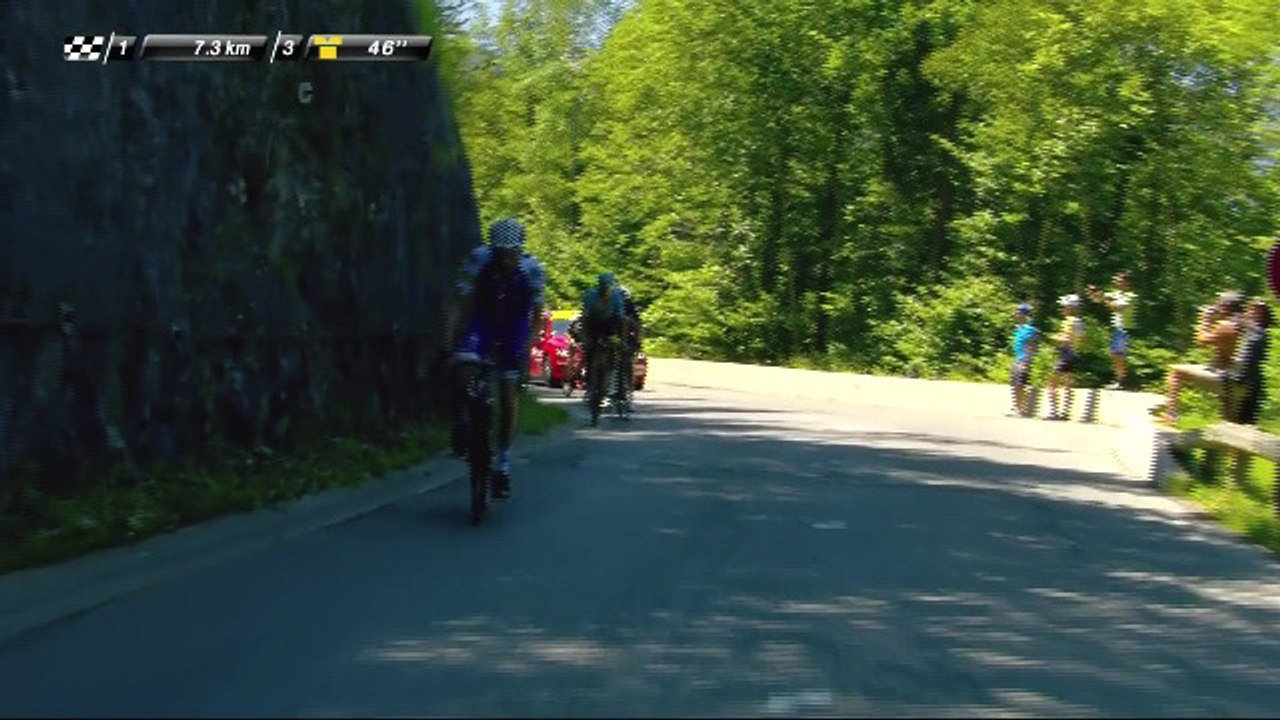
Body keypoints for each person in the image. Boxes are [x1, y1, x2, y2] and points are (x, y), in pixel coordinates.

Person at [446, 218, 545, 499]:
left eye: (512, 254)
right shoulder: (478, 259)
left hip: (514, 328)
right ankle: (462, 421)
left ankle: (502, 465)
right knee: (462, 368)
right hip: (483, 323)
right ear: (493, 250)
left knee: (508, 393)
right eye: (501, 254)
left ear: (520, 251)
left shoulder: (533, 270)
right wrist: (448, 340)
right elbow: (457, 302)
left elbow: (537, 317)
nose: (506, 260)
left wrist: (527, 348)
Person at [1160, 290, 1245, 425]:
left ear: (1227, 306)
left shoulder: (1226, 326)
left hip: (1224, 378)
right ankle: (1231, 429)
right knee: (1228, 410)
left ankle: (1170, 415)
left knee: (1175, 372)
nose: (1218, 307)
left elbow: (1201, 341)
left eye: (1220, 304)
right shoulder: (1243, 326)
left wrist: (1204, 318)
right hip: (1239, 379)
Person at [579, 272, 626, 423]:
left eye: (608, 287)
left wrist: (622, 339)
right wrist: (585, 337)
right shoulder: (590, 296)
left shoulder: (616, 297)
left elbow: (621, 320)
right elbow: (585, 318)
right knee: (589, 348)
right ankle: (588, 375)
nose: (606, 290)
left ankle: (613, 377)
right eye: (603, 288)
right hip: (593, 325)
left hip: (610, 325)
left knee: (616, 348)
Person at [1225, 299, 1271, 425]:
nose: (1254, 313)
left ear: (1264, 316)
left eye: (1258, 311)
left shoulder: (1260, 332)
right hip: (1239, 375)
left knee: (1244, 417)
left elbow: (1251, 328)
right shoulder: (1247, 327)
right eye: (1252, 309)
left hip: (1248, 379)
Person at [1088, 271, 1136, 389]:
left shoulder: (1130, 296)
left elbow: (1117, 308)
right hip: (1118, 328)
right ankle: (1120, 380)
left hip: (1125, 328)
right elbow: (1097, 300)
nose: (1116, 282)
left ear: (1127, 282)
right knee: (1116, 355)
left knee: (1119, 355)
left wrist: (1104, 299)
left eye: (1119, 280)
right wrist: (1094, 293)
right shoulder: (1116, 294)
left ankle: (1122, 382)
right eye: (1116, 280)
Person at [1046, 294, 1086, 421]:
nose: (1062, 309)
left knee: (1052, 383)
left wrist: (1056, 338)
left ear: (1071, 307)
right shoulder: (1078, 322)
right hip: (1073, 354)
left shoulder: (1070, 321)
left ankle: (1054, 412)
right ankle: (1065, 412)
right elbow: (1081, 339)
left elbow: (1066, 339)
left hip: (1066, 354)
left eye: (1064, 306)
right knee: (1068, 384)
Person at [614, 281, 643, 412]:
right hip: (610, 338)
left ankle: (629, 397)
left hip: (626, 339)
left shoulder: (630, 308)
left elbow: (637, 327)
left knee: (628, 367)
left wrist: (637, 342)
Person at [1010, 303, 1040, 417]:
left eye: (1018, 312)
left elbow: (1032, 346)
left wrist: (1027, 361)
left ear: (1024, 315)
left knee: (1020, 384)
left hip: (1024, 359)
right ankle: (1018, 407)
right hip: (1018, 359)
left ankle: (1022, 409)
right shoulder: (1018, 329)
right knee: (1014, 384)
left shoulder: (1030, 330)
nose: (1016, 314)